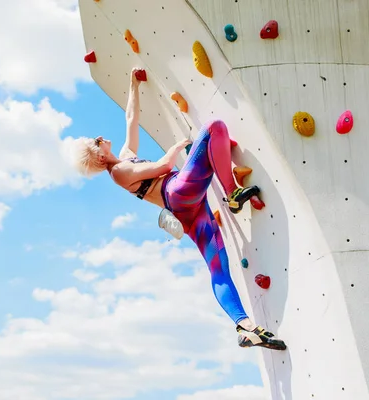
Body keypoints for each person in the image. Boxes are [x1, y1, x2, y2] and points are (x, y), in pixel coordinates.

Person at [71, 67, 286, 351]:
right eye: (97, 141)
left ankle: (245, 327)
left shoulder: (124, 158)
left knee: (218, 267)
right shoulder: (120, 172)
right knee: (214, 128)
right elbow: (164, 167)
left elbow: (131, 118)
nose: (102, 138)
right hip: (178, 193)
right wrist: (174, 148)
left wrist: (133, 84)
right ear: (99, 156)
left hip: (188, 211)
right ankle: (233, 194)